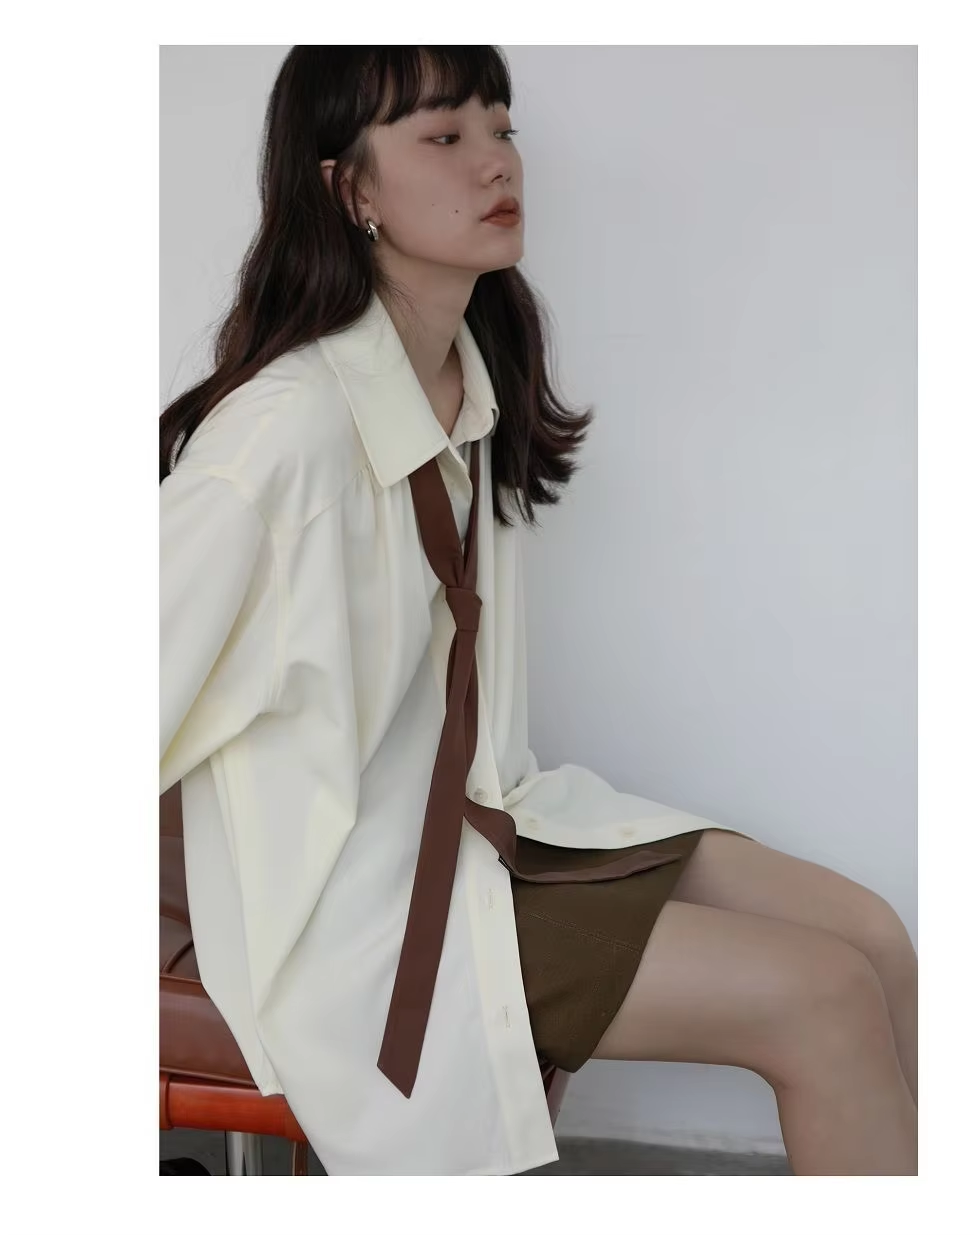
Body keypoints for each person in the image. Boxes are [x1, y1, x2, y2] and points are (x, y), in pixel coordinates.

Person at [160, 46, 917, 1176]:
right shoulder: (277, 439)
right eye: (443, 136)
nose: (496, 162)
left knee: (873, 935)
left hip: (490, 818)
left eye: (501, 128)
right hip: (364, 907)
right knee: (820, 995)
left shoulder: (468, 374)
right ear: (349, 188)